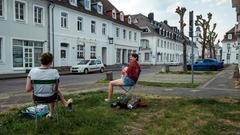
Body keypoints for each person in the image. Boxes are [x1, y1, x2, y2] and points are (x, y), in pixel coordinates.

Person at [25, 52, 72, 118]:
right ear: (51, 62)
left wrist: (37, 86)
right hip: (51, 98)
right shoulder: (55, 72)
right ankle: (54, 111)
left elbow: (27, 89)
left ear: (40, 60)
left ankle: (61, 106)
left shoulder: (32, 71)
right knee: (54, 92)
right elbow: (55, 90)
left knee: (52, 92)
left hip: (37, 98)